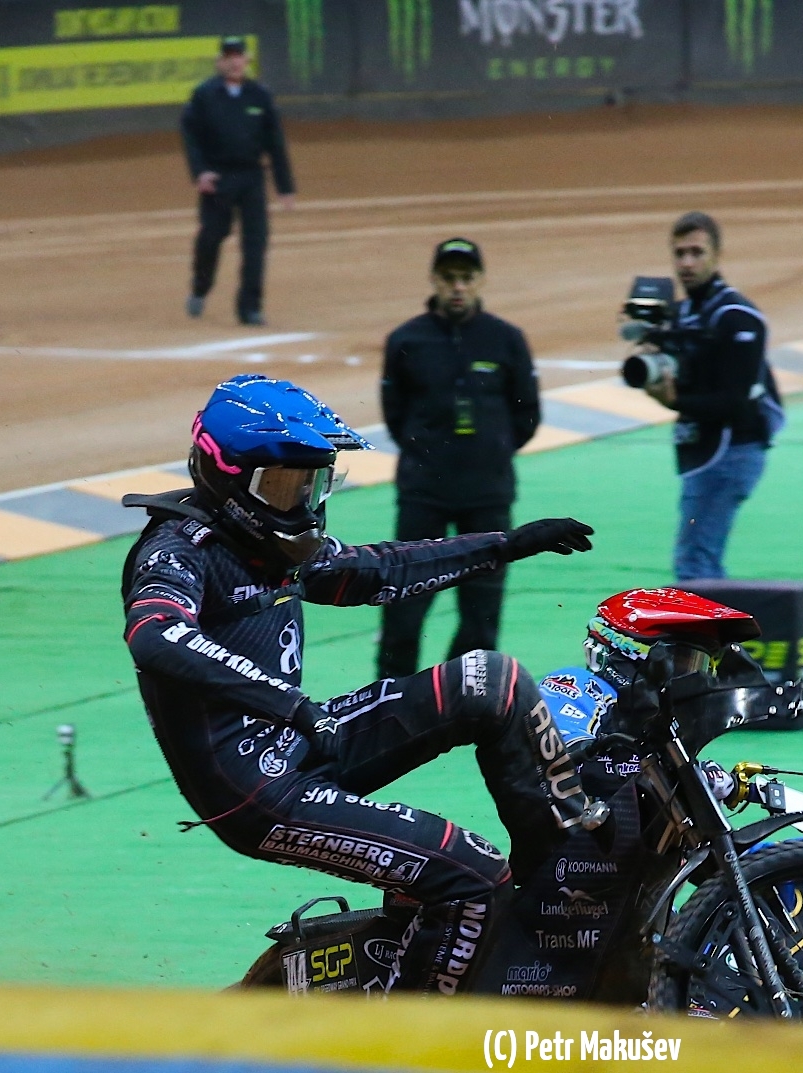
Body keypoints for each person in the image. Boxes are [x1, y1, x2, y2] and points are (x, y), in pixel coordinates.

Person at [120, 374, 599, 995]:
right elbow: (156, 635)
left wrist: (505, 545)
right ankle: (413, 1035)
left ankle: (568, 884)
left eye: (313, 483)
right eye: (284, 485)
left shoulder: (270, 544)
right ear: (226, 475)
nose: (302, 502)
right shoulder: (175, 550)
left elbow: (373, 571)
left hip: (301, 741)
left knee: (492, 679)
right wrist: (292, 707)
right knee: (474, 876)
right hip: (257, 791)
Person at [377, 239, 541, 680]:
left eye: (466, 278)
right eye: (449, 278)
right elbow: (394, 414)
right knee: (403, 609)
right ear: (434, 280)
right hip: (423, 495)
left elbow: (527, 414)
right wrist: (428, 455)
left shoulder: (506, 339)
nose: (457, 288)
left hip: (487, 495)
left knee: (481, 615)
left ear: (480, 281)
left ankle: (461, 700)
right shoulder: (407, 340)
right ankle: (390, 699)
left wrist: (490, 453)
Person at [643, 212, 784, 582]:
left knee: (695, 566)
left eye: (697, 253)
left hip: (730, 452)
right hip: (704, 450)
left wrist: (674, 402)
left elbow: (735, 401)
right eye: (679, 254)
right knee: (701, 562)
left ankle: (712, 623)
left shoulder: (737, 317)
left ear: (717, 256)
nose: (687, 263)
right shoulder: (681, 314)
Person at [181, 36, 295, 327]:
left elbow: (275, 142)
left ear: (247, 60)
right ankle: (201, 286)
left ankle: (250, 308)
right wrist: (200, 172)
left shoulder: (260, 95)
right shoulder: (204, 95)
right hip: (218, 178)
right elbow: (191, 137)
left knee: (256, 243)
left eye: (238, 56)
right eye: (228, 56)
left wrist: (284, 186)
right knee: (212, 236)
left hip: (251, 177)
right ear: (220, 62)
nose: (234, 62)